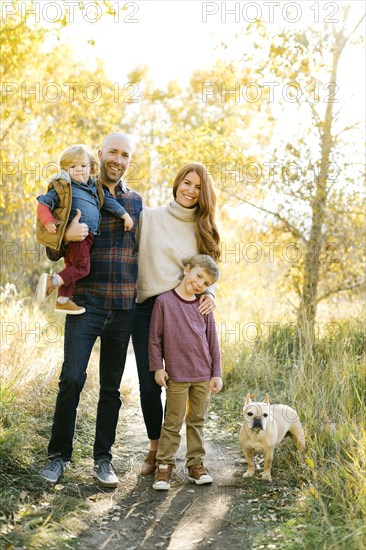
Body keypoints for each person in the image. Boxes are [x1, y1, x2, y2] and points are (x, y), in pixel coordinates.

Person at [39, 133, 142, 487]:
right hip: (86, 303)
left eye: (124, 154)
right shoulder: (74, 190)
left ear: (129, 160)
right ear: (100, 156)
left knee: (111, 388)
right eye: (112, 152)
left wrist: (205, 288)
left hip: (124, 305)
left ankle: (103, 460)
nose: (118, 158)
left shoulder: (136, 202)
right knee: (72, 378)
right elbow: (52, 249)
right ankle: (58, 458)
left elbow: (151, 252)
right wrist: (65, 235)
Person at [131, 163, 221, 475]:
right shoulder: (149, 217)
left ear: (203, 194)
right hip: (147, 308)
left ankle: (192, 458)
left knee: (185, 382)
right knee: (149, 381)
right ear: (177, 182)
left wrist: (210, 295)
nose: (190, 190)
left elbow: (210, 271)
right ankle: (156, 449)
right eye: (187, 182)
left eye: (198, 187)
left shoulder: (202, 227)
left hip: (186, 309)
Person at [148, 254, 222, 490]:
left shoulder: (204, 305)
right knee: (172, 422)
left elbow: (213, 340)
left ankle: (196, 464)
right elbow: (154, 339)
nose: (200, 284)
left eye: (206, 283)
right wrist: (158, 367)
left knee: (197, 421)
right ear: (187, 269)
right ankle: (164, 466)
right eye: (198, 276)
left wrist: (216, 373)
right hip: (177, 377)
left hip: (203, 374)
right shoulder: (164, 302)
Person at [35, 144, 133, 314]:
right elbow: (43, 204)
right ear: (65, 170)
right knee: (82, 268)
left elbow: (108, 202)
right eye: (73, 167)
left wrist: (124, 215)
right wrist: (48, 220)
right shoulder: (64, 187)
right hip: (78, 235)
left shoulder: (94, 188)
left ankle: (63, 300)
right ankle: (53, 281)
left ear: (91, 167)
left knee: (71, 268)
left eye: (83, 166)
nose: (78, 170)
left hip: (88, 237)